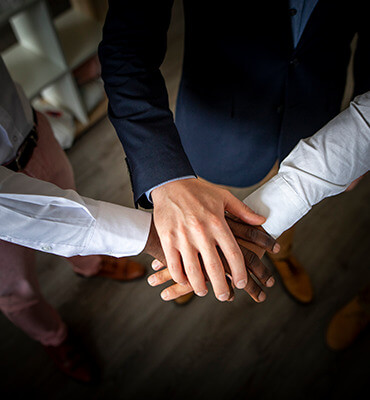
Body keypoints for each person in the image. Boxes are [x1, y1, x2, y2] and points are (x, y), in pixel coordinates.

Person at [0, 55, 279, 381]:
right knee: (15, 289)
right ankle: (55, 338)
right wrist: (151, 233)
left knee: (72, 204)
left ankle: (91, 265)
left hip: (34, 135)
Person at [98, 0, 370, 304]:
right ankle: (192, 264)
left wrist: (358, 138)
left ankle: (281, 252)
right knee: (199, 209)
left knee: (287, 215)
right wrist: (167, 178)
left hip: (313, 111)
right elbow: (126, 49)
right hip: (220, 122)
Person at [148, 91, 370, 349]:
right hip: (221, 115)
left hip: (312, 104)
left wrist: (359, 146)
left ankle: (279, 252)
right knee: (202, 202)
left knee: (272, 230)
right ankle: (198, 259)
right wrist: (165, 182)